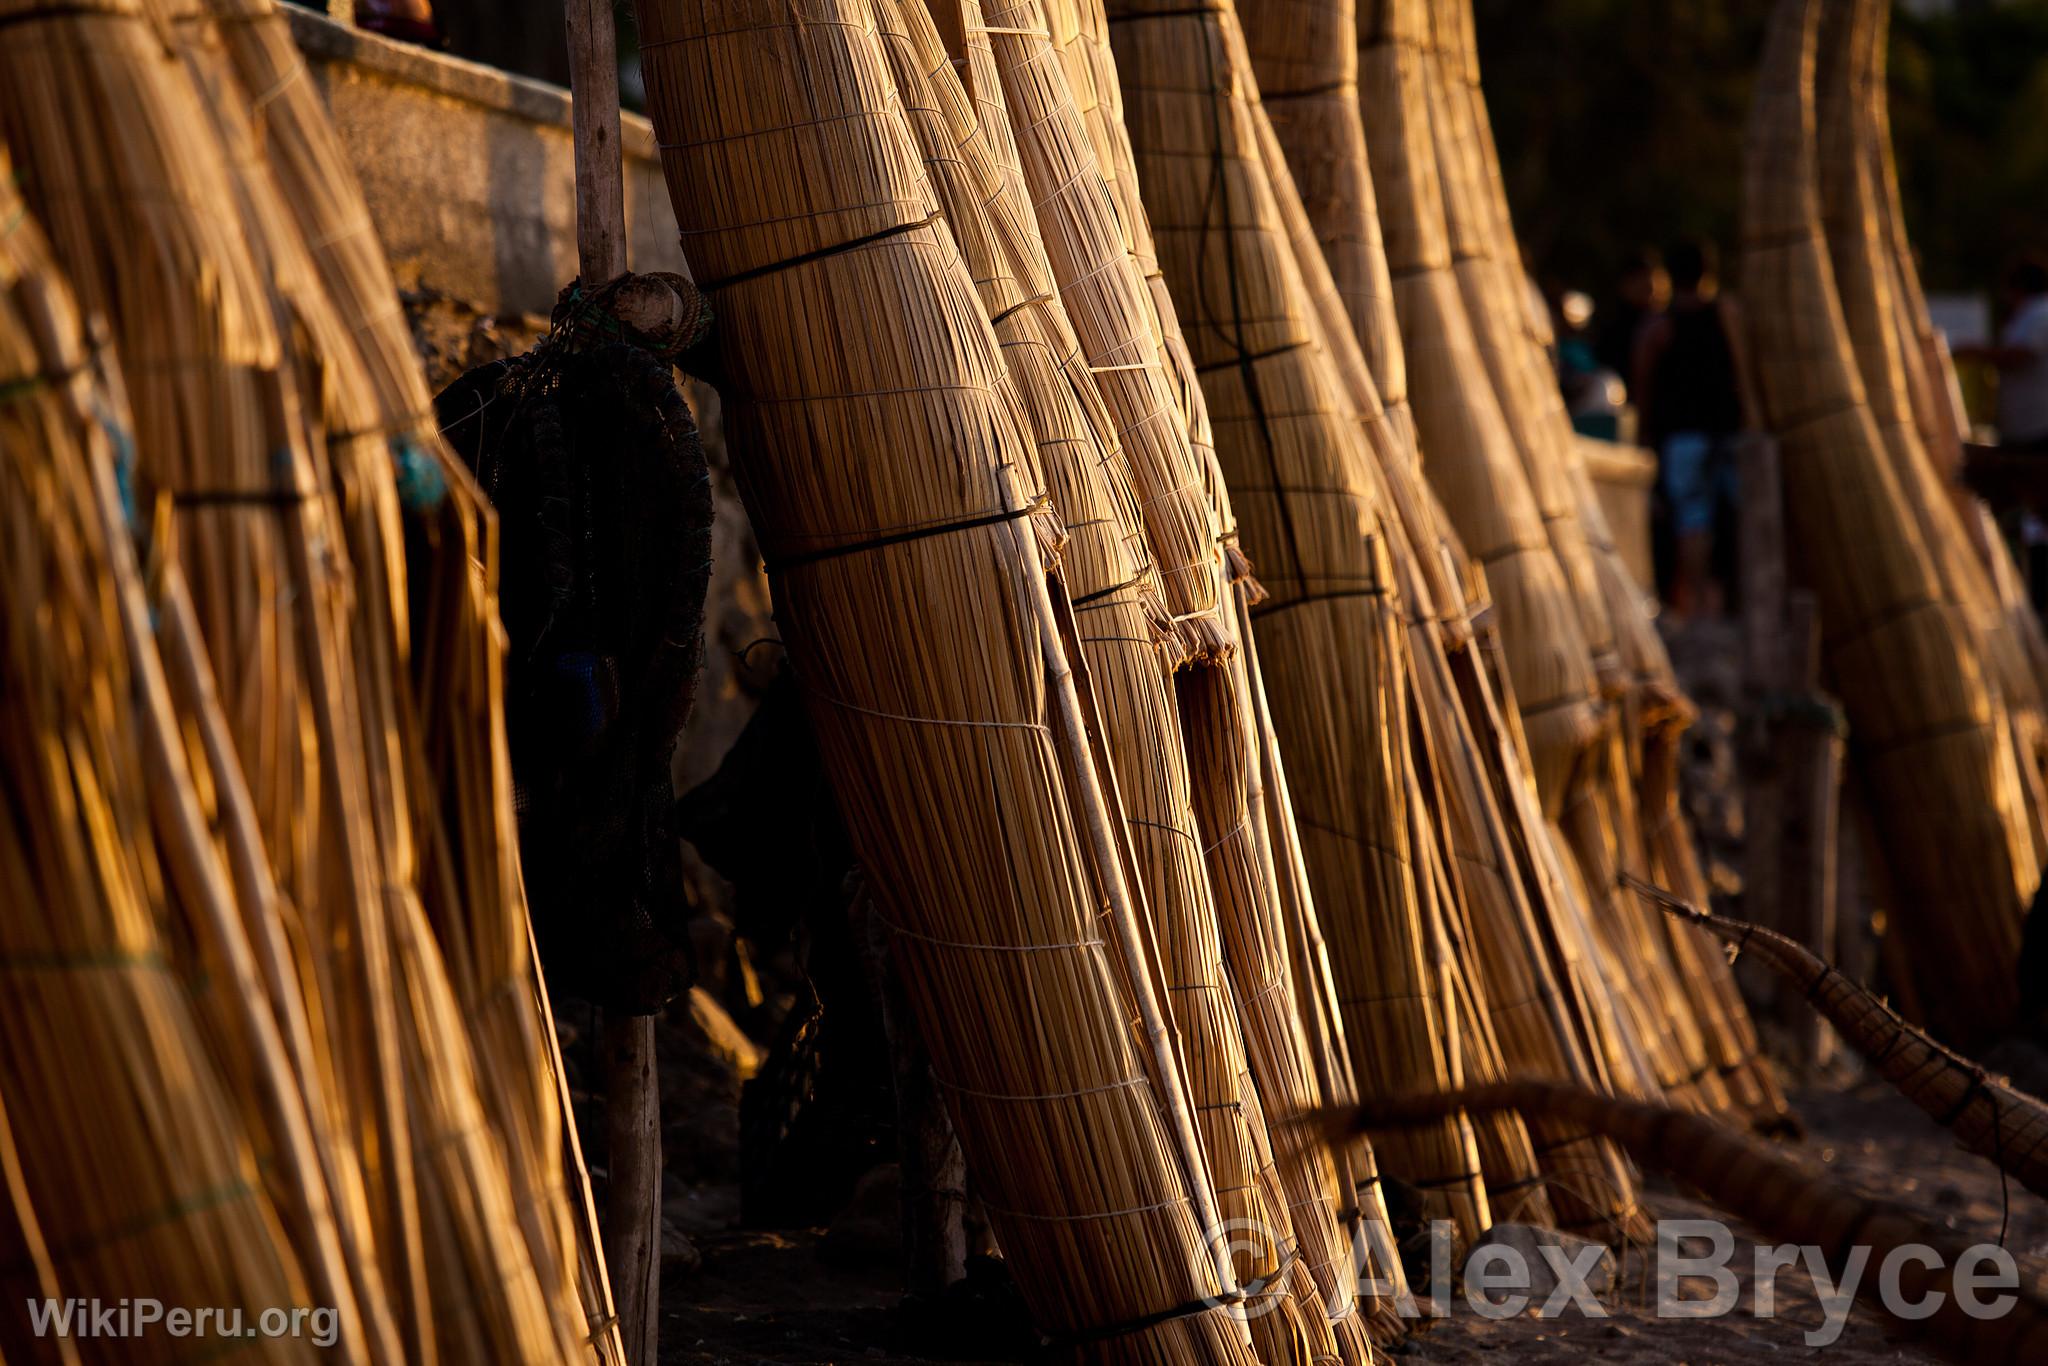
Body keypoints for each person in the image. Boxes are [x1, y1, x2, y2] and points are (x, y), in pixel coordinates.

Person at [1633, 239, 1762, 619]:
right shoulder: (1726, 315)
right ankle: (1727, 604)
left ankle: (1700, 604)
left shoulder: (1659, 327)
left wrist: (1645, 438)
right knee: (1735, 518)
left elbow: (1643, 389)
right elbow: (1745, 373)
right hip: (1726, 433)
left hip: (1682, 439)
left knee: (1693, 520)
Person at [1958, 257, 2048, 450]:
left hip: (2036, 425)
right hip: (2026, 424)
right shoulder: (2029, 314)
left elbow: (2021, 355)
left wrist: (1976, 353)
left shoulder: (2040, 313)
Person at [1594, 247, 1669, 379]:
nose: (1650, 284)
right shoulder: (1614, 328)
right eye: (1640, 278)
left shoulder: (1666, 323)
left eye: (1653, 276)